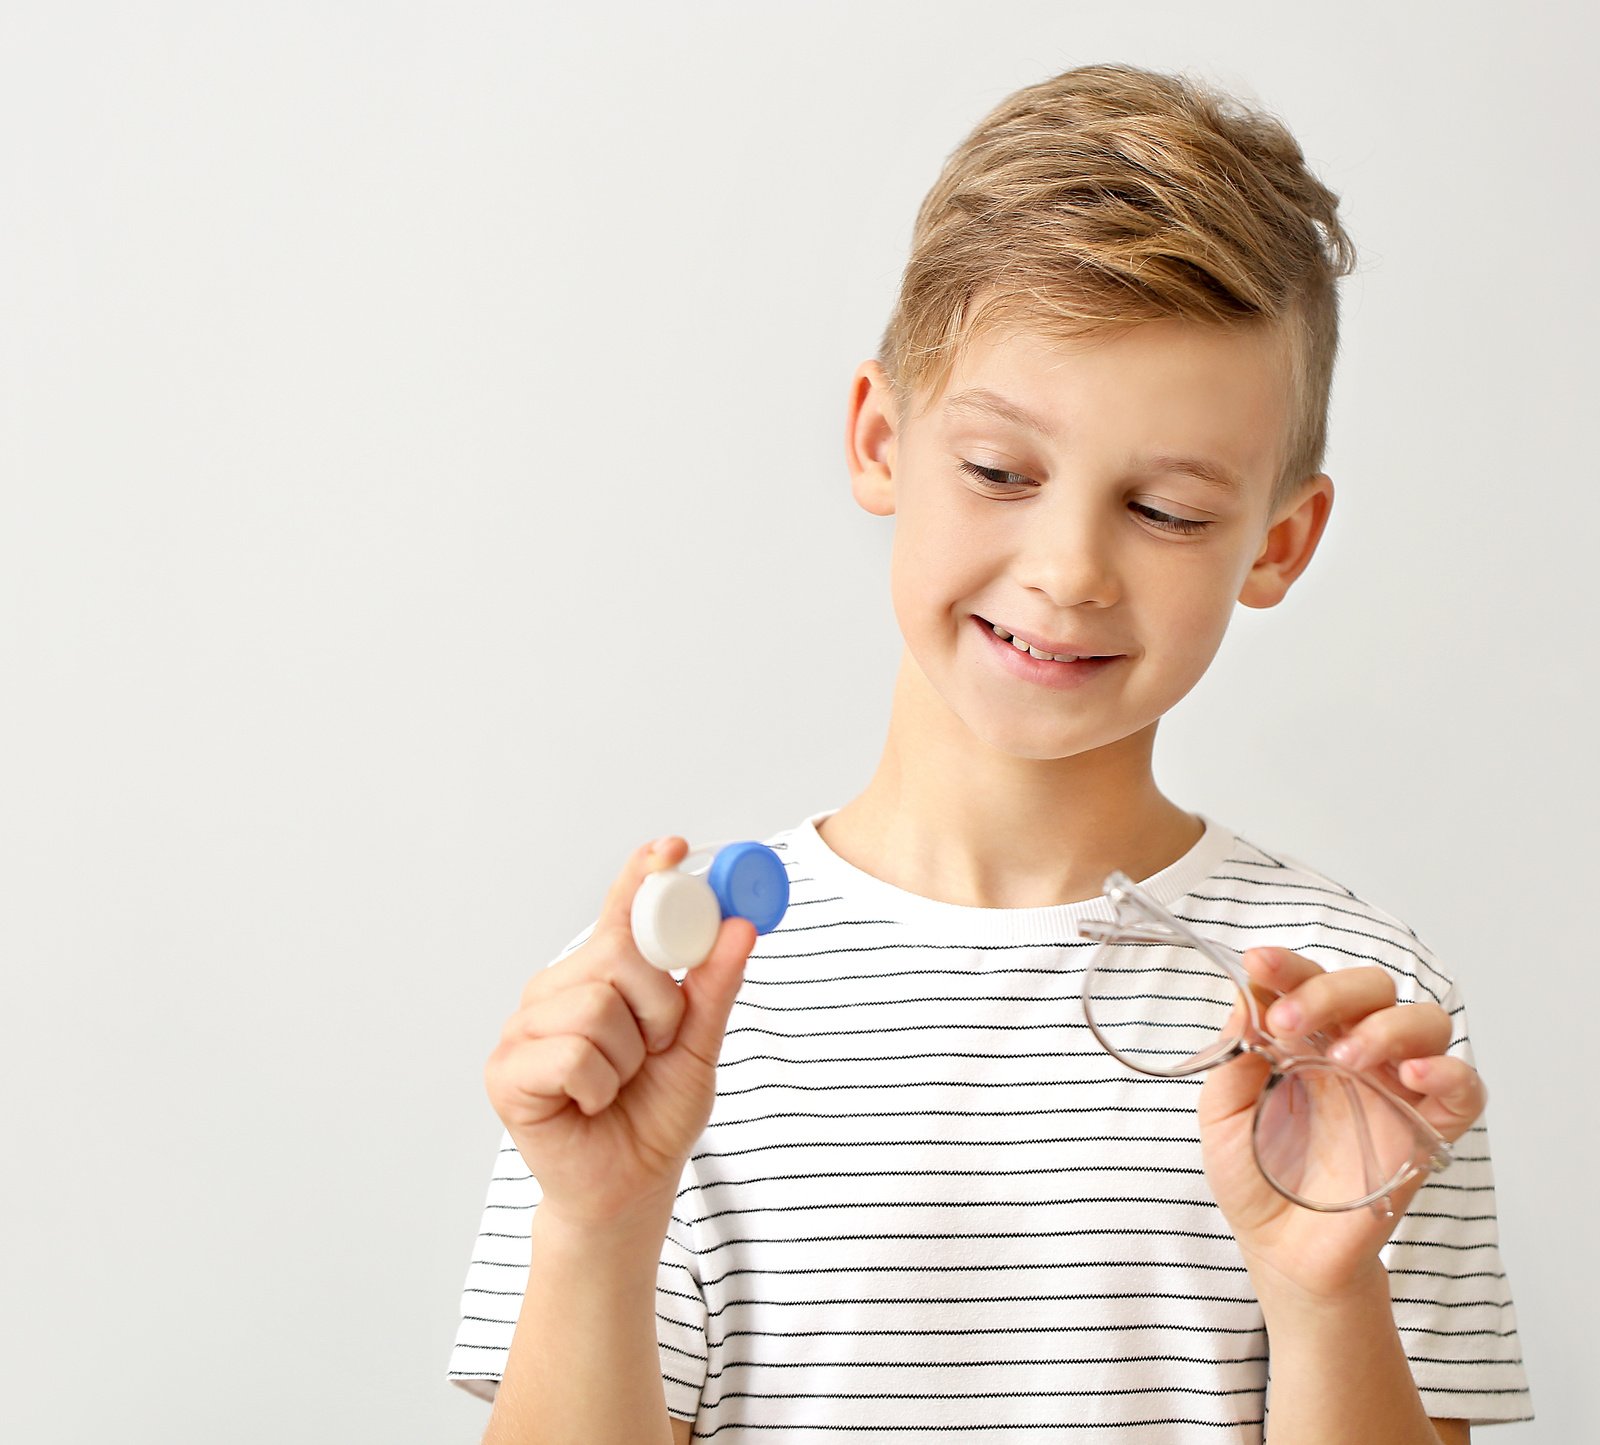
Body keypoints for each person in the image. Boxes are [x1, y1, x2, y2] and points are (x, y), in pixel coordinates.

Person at [447, 61, 1532, 1442]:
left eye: (1163, 507)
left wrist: (1325, 1290)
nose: (1070, 569)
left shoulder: (1350, 1026)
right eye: (1002, 472)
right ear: (881, 438)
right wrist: (598, 1227)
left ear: (1277, 543)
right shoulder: (663, 1010)